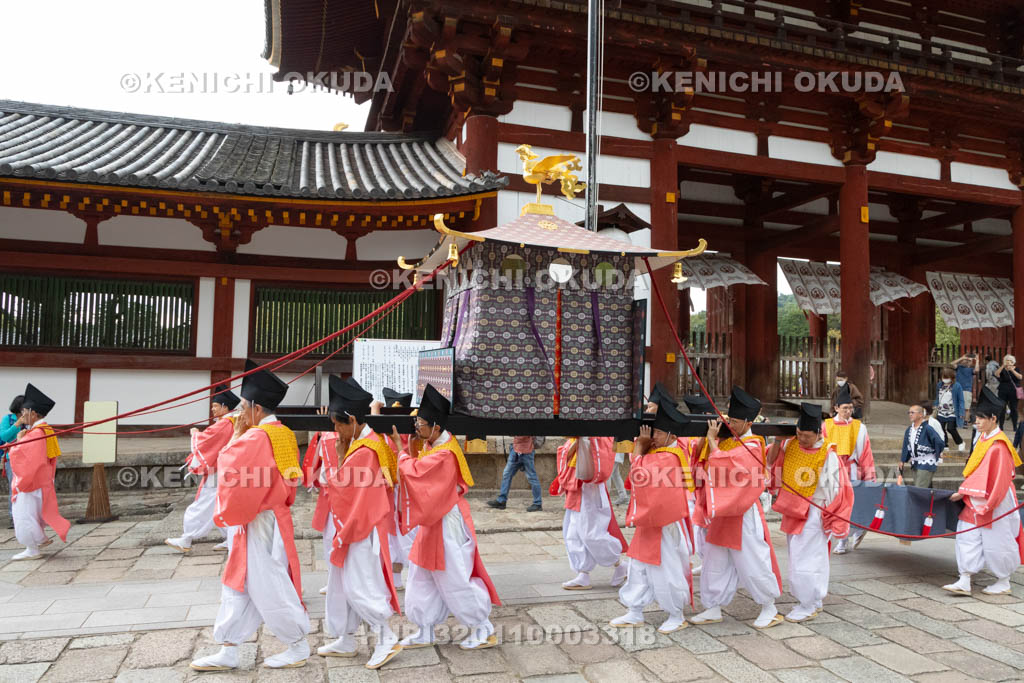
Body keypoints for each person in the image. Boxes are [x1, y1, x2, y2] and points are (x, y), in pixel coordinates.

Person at [190, 361, 310, 671]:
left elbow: (232, 467)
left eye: (243, 406)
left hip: (258, 520)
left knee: (268, 586)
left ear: (256, 407)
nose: (240, 412)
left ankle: (298, 644)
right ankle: (229, 647)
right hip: (266, 515)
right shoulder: (282, 433)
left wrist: (237, 436)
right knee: (238, 584)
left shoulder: (257, 438)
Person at [391, 384, 501, 650]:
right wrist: (409, 447)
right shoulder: (435, 443)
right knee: (421, 574)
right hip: (433, 518)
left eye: (421, 423)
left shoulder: (444, 452)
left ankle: (482, 627)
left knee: (453, 576)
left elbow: (416, 472)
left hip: (446, 521)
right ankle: (425, 628)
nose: (417, 427)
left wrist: (400, 451)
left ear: (436, 426)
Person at [316, 376, 402, 670]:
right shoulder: (365, 443)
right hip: (354, 524)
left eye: (337, 424)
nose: (334, 430)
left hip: (361, 528)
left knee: (359, 584)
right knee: (340, 584)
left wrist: (339, 460)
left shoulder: (364, 451)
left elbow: (349, 494)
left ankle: (385, 636)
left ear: (351, 419)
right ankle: (347, 638)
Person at [690, 386, 783, 630]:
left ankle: (769, 607)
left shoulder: (752, 445)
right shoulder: (730, 440)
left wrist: (712, 444)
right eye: (728, 419)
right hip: (722, 511)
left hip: (742, 511)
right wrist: (707, 441)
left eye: (734, 421)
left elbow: (727, 467)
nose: (729, 424)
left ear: (748, 422)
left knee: (752, 560)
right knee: (714, 559)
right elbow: (704, 464)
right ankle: (713, 606)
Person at [611, 395, 694, 633]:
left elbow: (640, 476)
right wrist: (641, 449)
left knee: (665, 569)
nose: (652, 436)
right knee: (638, 566)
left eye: (657, 432)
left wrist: (638, 448)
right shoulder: (657, 452)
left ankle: (676, 613)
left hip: (663, 522)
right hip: (649, 521)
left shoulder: (670, 455)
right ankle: (634, 610)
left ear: (671, 435)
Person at [767, 403, 853, 623]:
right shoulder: (790, 445)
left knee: (809, 558)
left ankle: (808, 603)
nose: (801, 439)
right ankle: (811, 600)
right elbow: (771, 462)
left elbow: (838, 490)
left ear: (818, 433)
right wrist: (778, 440)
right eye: (798, 434)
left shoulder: (828, 454)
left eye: (806, 436)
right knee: (798, 556)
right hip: (792, 508)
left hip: (815, 511)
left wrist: (832, 517)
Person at [942, 387, 1024, 596]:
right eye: (976, 418)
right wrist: (966, 491)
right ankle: (965, 578)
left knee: (997, 538)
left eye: (980, 418)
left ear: (993, 418)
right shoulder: (984, 438)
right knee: (967, 534)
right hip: (975, 496)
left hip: (995, 498)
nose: (976, 422)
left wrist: (988, 502)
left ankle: (1004, 580)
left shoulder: (999, 445)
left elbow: (1000, 479)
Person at [166, 385, 239, 553]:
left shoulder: (225, 424)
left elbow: (206, 440)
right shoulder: (232, 422)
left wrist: (195, 434)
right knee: (221, 505)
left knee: (202, 504)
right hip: (228, 469)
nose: (213, 410)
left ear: (224, 407)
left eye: (215, 406)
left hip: (219, 472)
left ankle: (187, 538)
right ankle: (232, 538)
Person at [554, 435, 628, 591]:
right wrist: (579, 442)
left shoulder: (600, 434)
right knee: (572, 533)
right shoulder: (574, 438)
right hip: (575, 488)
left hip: (590, 489)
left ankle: (620, 564)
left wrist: (584, 440)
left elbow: (600, 457)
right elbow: (565, 454)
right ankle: (583, 574)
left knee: (591, 533)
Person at [7, 384, 71, 560]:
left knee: (24, 514)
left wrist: (18, 442)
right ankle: (39, 540)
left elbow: (25, 457)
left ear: (33, 413)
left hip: (30, 481)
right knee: (31, 514)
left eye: (25, 411)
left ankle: (33, 548)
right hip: (39, 480)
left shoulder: (36, 434)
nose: (23, 415)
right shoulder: (42, 430)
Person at [823, 384, 876, 554]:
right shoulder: (826, 426)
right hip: (832, 470)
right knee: (833, 504)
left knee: (850, 505)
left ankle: (844, 539)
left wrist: (869, 477)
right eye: (845, 408)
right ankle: (838, 535)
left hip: (852, 469)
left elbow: (866, 454)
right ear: (836, 408)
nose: (848, 411)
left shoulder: (859, 427)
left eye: (851, 408)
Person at [380, 387, 417, 591]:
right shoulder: (382, 435)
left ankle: (416, 577)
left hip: (406, 490)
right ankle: (395, 581)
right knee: (391, 535)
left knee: (408, 533)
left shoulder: (413, 436)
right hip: (389, 490)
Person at [487, 435, 542, 512]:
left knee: (532, 478)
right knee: (507, 474)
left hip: (527, 452)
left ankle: (537, 503)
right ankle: (501, 500)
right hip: (515, 451)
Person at [899, 403, 946, 488]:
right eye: (909, 412)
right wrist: (902, 460)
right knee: (924, 489)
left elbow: (939, 442)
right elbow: (906, 445)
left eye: (912, 412)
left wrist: (937, 451)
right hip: (915, 462)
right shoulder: (909, 430)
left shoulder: (928, 428)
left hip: (926, 462)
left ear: (920, 414)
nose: (910, 414)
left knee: (919, 488)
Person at [1, 395, 26, 526]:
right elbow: (4, 436)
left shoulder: (30, 421)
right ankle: (13, 517)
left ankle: (25, 515)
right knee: (14, 486)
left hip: (28, 457)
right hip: (11, 458)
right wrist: (17, 425)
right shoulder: (8, 419)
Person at [935, 368, 966, 452]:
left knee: (950, 428)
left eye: (947, 377)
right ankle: (945, 445)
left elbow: (961, 400)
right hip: (941, 411)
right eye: (943, 377)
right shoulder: (939, 385)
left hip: (952, 412)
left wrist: (961, 411)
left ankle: (960, 442)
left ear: (952, 377)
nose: (945, 379)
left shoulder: (957, 386)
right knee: (940, 429)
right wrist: (934, 406)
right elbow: (937, 397)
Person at [995, 355, 1021, 432]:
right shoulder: (1002, 369)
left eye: (1010, 360)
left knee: (1014, 409)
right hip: (1003, 390)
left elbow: (1020, 377)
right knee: (1001, 408)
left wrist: (1012, 370)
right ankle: (1001, 425)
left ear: (1013, 362)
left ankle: (1014, 426)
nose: (1008, 361)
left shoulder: (1017, 369)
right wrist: (1003, 366)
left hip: (1013, 391)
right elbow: (996, 374)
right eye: (1007, 360)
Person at [954, 353, 980, 421]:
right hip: (957, 389)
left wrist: (977, 361)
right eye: (966, 360)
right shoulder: (959, 367)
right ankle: (958, 420)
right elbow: (951, 364)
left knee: (966, 408)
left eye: (969, 361)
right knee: (956, 406)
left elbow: (976, 370)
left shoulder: (971, 370)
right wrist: (962, 358)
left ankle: (965, 421)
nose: (967, 361)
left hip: (967, 390)